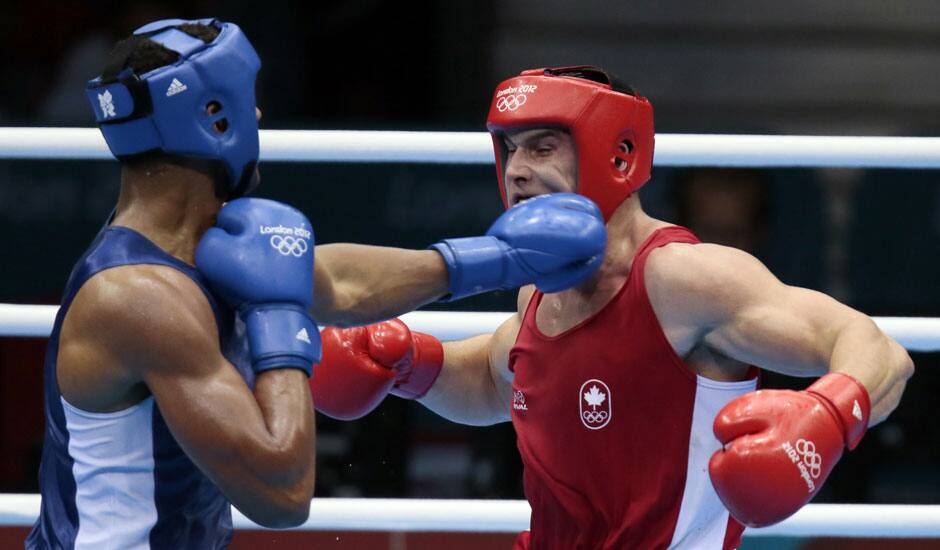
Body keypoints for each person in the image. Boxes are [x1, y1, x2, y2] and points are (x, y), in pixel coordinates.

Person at [26, 22, 607, 549]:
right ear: (215, 119)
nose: (257, 117)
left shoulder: (196, 250)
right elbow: (282, 493)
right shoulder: (139, 298)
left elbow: (341, 282)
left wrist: (502, 259)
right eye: (243, 103)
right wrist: (277, 313)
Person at [310, 66, 915, 549]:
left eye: (543, 148)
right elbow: (497, 384)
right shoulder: (538, 293)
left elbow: (875, 348)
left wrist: (827, 417)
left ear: (618, 155)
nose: (518, 171)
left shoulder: (684, 279)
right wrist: (410, 363)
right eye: (509, 150)